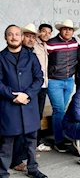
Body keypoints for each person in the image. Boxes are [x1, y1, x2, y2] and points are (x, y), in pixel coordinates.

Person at [0, 25, 47, 178]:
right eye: (10, 34)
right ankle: (2, 173)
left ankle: (33, 169)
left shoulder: (31, 56)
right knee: (6, 143)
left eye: (17, 34)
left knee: (31, 141)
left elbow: (39, 78)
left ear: (21, 37)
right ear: (5, 38)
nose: (14, 37)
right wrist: (13, 95)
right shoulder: (1, 57)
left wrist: (26, 95)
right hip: (9, 105)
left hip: (29, 105)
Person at [47, 19, 79, 152]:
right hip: (54, 81)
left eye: (70, 29)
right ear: (60, 30)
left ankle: (63, 135)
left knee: (63, 110)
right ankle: (58, 140)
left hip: (69, 80)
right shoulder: (51, 43)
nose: (67, 31)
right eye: (65, 29)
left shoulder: (74, 42)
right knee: (58, 110)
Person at [34, 23, 53, 151]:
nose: (46, 34)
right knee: (33, 115)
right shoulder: (33, 45)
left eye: (49, 32)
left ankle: (36, 143)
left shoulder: (46, 45)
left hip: (44, 84)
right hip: (34, 86)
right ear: (39, 32)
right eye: (44, 31)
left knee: (38, 114)